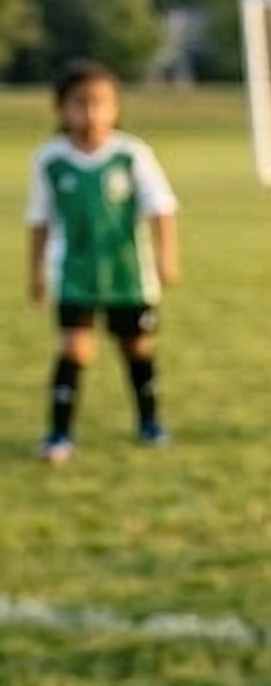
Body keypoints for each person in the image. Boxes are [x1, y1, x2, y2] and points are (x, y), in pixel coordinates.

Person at [27, 60, 179, 464]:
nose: (91, 113)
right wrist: (36, 274)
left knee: (137, 347)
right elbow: (39, 220)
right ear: (62, 108)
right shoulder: (50, 160)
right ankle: (59, 434)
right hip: (74, 273)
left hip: (128, 274)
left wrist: (167, 256)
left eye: (101, 103)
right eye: (81, 103)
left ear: (116, 107)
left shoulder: (131, 155)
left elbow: (161, 208)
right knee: (75, 350)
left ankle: (150, 423)